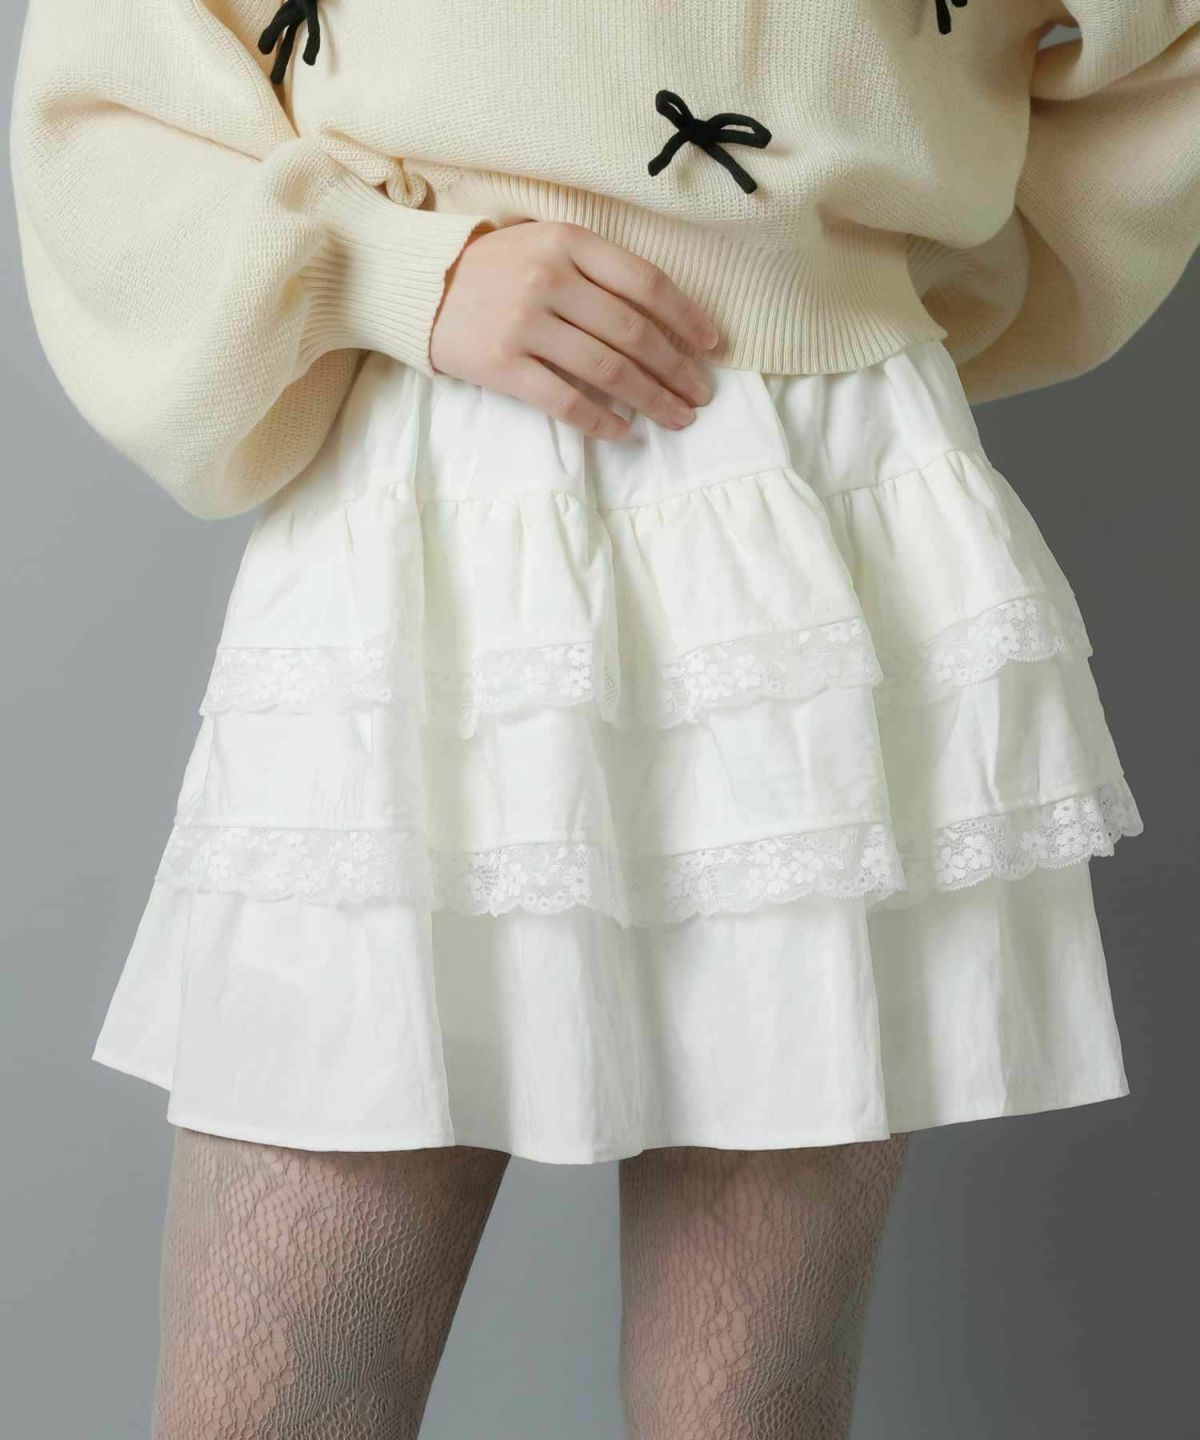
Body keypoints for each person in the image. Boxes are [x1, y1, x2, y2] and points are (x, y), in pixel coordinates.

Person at [9, 1, 1198, 1435]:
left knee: (749, 1419)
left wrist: (850, 267)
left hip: (827, 485)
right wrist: (385, 266)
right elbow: (113, 69)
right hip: (440, 489)